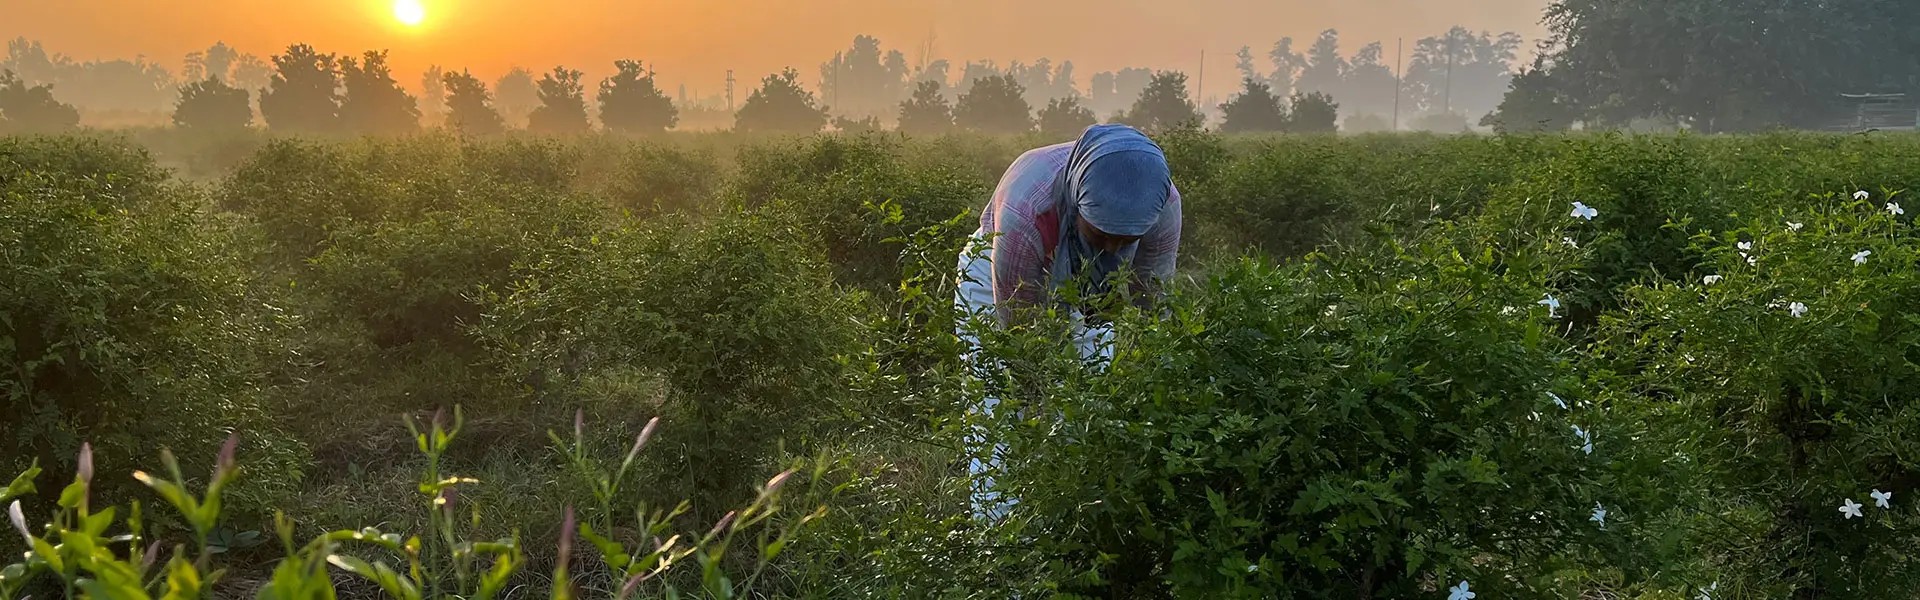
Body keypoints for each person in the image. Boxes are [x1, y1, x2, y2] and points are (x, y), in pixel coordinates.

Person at [953, 124, 1182, 520]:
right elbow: (1020, 344)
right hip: (998, 276)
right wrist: (1039, 402)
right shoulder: (1027, 210)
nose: (1111, 248)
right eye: (1101, 233)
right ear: (1078, 205)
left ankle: (1067, 535)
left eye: (1124, 241)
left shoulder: (1160, 207)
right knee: (1002, 414)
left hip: (1091, 287)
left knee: (1089, 412)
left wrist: (1146, 385)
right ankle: (1000, 545)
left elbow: (1153, 308)